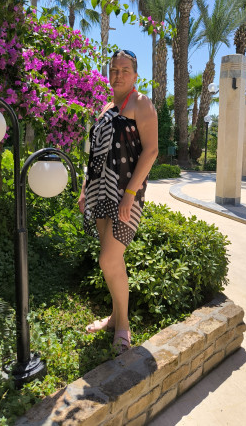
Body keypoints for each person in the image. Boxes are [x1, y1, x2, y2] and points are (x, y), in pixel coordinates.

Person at [78, 49, 158, 354]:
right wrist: (85, 189)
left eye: (125, 70)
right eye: (114, 70)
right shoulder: (106, 108)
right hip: (100, 190)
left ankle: (123, 325)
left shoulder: (141, 103)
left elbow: (151, 151)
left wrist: (130, 194)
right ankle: (114, 317)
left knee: (109, 259)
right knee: (111, 259)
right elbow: (94, 154)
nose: (118, 75)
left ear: (135, 75)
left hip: (126, 194)